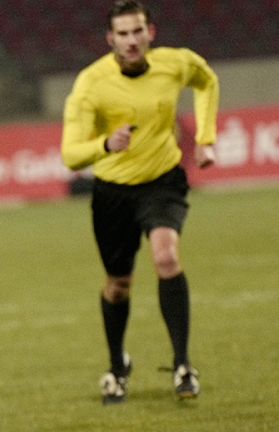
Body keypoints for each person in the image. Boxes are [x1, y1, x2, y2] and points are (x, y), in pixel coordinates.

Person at [61, 0, 218, 404]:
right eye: (123, 34)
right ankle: (117, 367)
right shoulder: (91, 83)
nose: (131, 40)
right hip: (113, 192)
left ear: (151, 33)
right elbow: (70, 154)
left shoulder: (174, 63)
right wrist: (104, 144)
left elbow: (207, 81)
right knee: (118, 285)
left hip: (162, 181)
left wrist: (205, 137)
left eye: (137, 31)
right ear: (110, 39)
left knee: (166, 258)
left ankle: (183, 365)